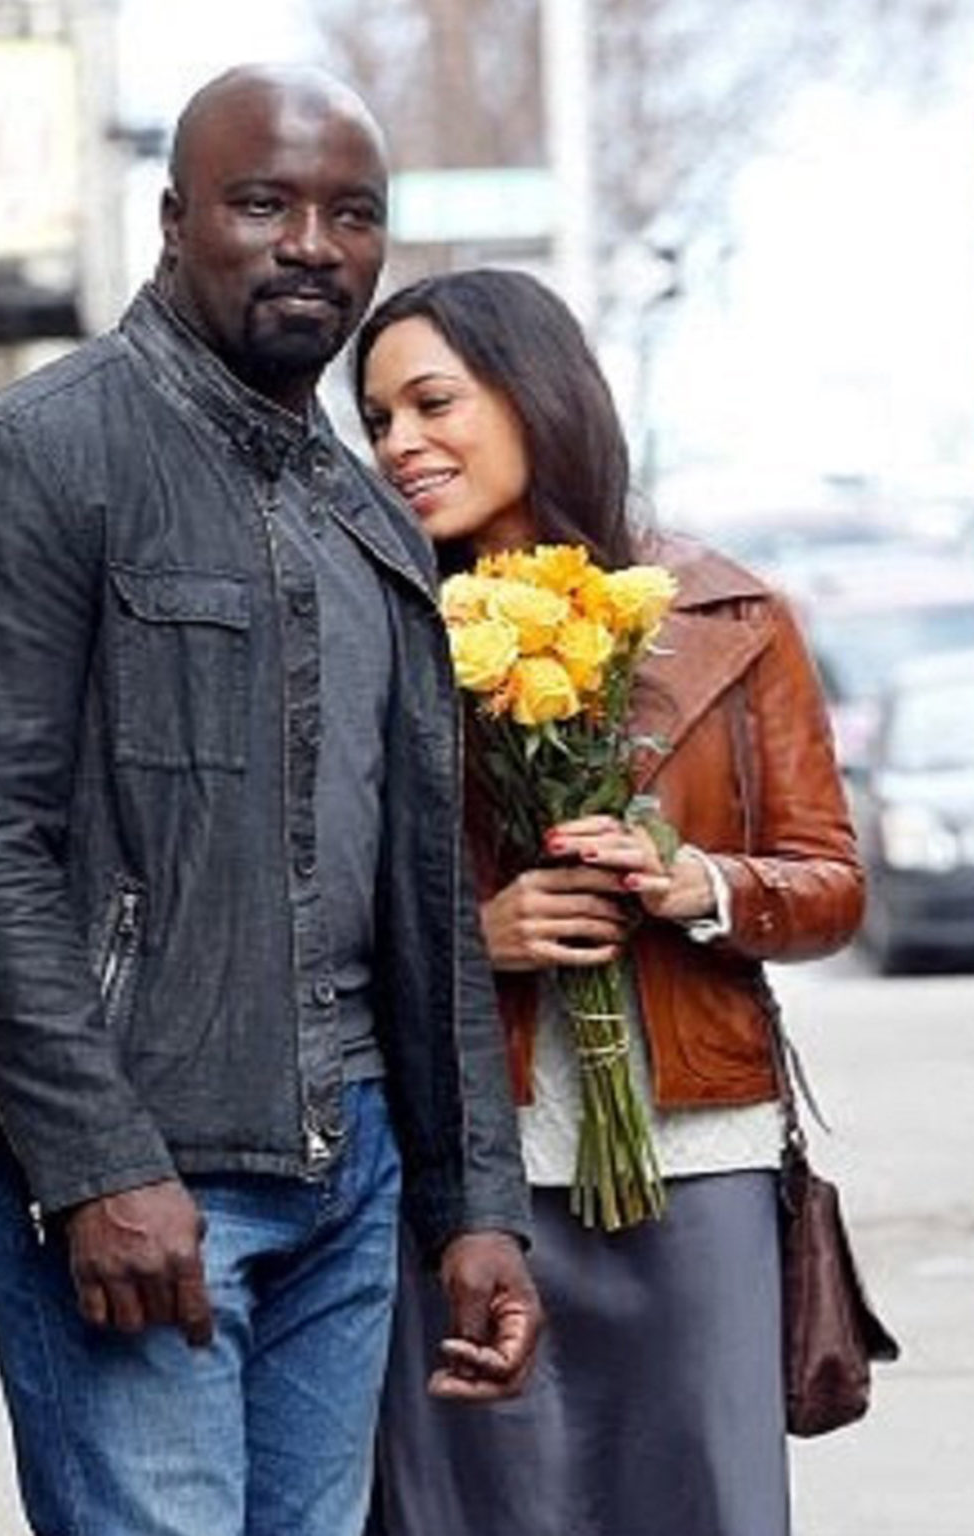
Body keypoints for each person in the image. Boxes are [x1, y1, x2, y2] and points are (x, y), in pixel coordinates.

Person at [0, 70, 540, 1536]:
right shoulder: (25, 462)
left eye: (352, 214)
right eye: (263, 203)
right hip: (134, 1166)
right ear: (175, 220)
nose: (312, 243)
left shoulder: (368, 517)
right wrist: (99, 1164)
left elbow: (423, 887)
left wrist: (470, 1199)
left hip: (349, 1159)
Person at [354, 267, 865, 1536]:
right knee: (485, 1507)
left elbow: (831, 882)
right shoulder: (376, 629)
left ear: (535, 392)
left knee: (706, 1501)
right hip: (470, 1168)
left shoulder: (728, 614)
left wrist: (703, 883)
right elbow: (318, 895)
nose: (401, 444)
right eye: (377, 420)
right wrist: (473, 940)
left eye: (433, 403)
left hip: (696, 1154)